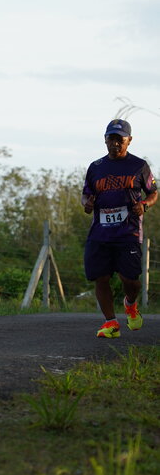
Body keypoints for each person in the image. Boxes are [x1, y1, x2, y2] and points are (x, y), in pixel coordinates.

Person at [82, 118, 157, 338]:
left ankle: (130, 304)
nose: (115, 143)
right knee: (101, 277)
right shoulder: (96, 167)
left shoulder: (139, 166)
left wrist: (145, 205)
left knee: (130, 280)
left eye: (119, 140)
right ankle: (111, 323)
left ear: (129, 140)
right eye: (111, 139)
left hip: (128, 232)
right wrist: (86, 203)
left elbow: (153, 192)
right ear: (105, 140)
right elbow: (86, 193)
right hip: (100, 232)